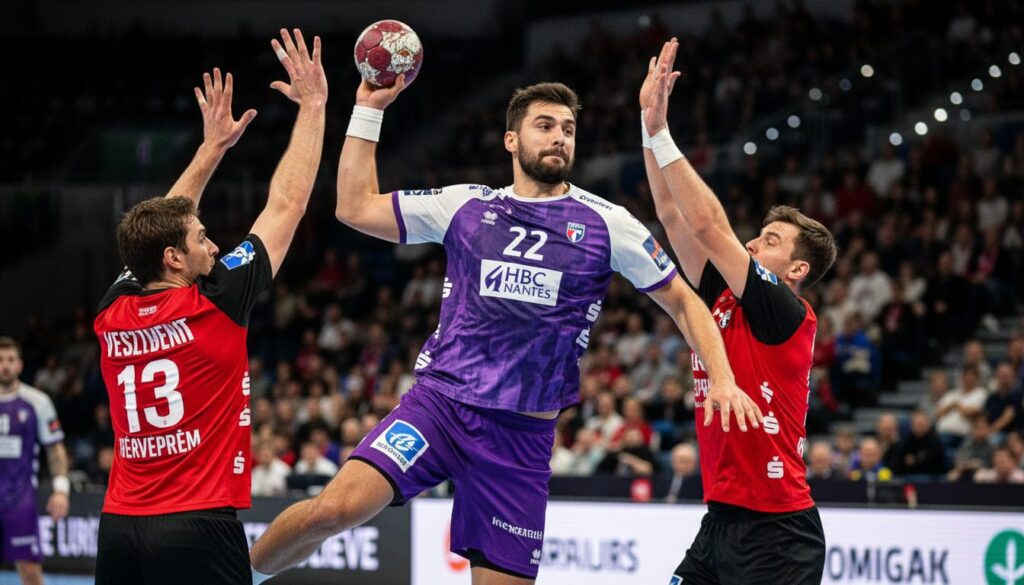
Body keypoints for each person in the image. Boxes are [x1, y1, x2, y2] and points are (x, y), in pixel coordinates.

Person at [250, 61, 760, 585]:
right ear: (511, 140)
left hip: (521, 440)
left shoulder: (608, 223)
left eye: (568, 129)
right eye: (545, 125)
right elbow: (355, 207)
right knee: (334, 510)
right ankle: (240, 573)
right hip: (441, 408)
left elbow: (685, 301)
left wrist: (722, 377)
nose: (559, 137)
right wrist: (368, 110)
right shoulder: (466, 205)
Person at [91, 29, 326, 585]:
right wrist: (314, 106)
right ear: (174, 259)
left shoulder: (111, 310)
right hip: (197, 526)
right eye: (202, 238)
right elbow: (287, 204)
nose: (215, 246)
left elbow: (157, 228)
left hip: (119, 527)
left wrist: (212, 149)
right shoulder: (214, 302)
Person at [641, 39, 836, 584]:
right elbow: (671, 213)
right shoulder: (722, 296)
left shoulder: (787, 310)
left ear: (796, 269)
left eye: (770, 240)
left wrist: (663, 132)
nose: (751, 242)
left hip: (778, 535)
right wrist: (647, 123)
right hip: (720, 523)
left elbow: (708, 226)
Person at [0, 337, 70, 585]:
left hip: (19, 500)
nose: (5, 365)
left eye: (10, 360)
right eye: (0, 360)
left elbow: (55, 449)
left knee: (29, 570)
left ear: (20, 364)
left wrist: (61, 490)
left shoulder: (38, 402)